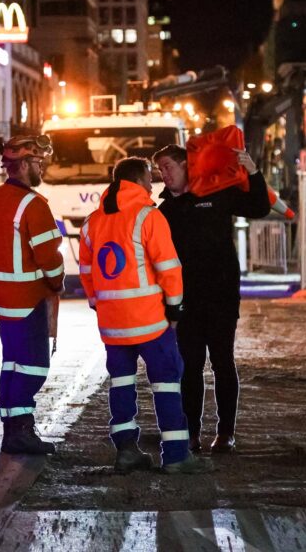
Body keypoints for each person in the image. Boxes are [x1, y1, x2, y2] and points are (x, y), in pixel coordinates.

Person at [79, 157, 212, 475]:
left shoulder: (92, 221)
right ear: (138, 182)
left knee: (121, 384)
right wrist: (176, 308)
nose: (153, 186)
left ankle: (126, 451)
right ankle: (177, 454)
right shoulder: (147, 216)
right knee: (166, 383)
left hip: (113, 324)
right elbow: (169, 267)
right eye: (149, 180)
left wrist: (100, 304)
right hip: (150, 321)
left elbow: (87, 272)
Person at [152, 144, 270, 454]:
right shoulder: (163, 212)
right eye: (160, 169)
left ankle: (226, 432)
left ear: (186, 166)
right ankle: (191, 432)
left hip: (220, 298)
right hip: (185, 303)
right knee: (189, 367)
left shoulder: (215, 195)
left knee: (222, 363)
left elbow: (259, 207)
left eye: (169, 166)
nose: (164, 173)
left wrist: (254, 172)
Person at [0, 134, 65, 456]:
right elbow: (49, 258)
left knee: (12, 363)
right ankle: (21, 428)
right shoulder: (35, 205)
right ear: (25, 164)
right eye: (39, 162)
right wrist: (57, 283)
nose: (42, 168)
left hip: (1, 299)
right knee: (34, 365)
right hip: (28, 299)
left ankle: (12, 430)